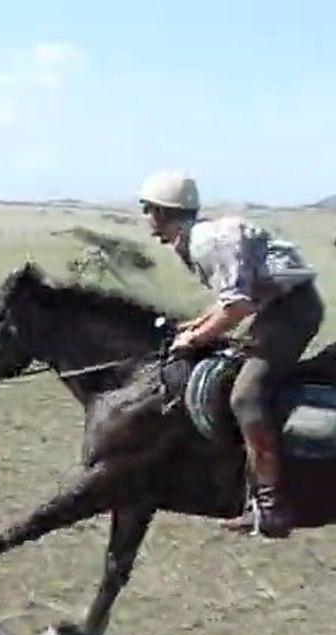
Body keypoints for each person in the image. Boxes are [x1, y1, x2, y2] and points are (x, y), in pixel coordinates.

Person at [137, 169, 324, 538]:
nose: (146, 218)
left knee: (245, 394)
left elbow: (237, 307)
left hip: (291, 311)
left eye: (148, 209)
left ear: (162, 212)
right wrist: (197, 324)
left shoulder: (205, 243)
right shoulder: (194, 241)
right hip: (276, 307)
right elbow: (232, 299)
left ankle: (272, 506)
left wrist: (195, 339)